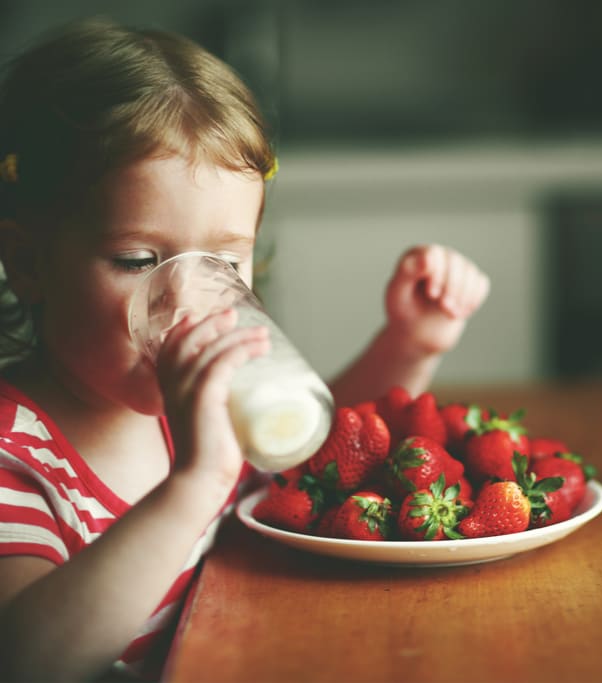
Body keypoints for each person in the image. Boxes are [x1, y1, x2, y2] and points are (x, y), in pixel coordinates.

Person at [0, 17, 490, 683]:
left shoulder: (191, 411)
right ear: (29, 261)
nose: (188, 303)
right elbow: (27, 660)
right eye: (140, 259)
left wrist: (408, 341)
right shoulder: (16, 456)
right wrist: (194, 485)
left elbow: (319, 446)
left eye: (225, 262)